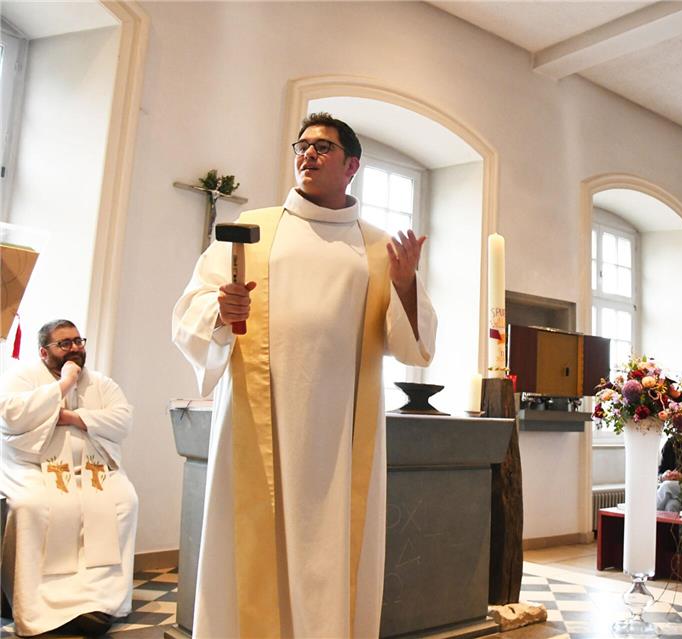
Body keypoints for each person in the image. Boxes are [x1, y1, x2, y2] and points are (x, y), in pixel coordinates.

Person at [172, 112, 437, 638]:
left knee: (331, 551)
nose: (308, 154)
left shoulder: (379, 249)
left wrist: (404, 284)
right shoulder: (253, 231)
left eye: (323, 147)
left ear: (351, 165)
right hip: (257, 422)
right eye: (302, 146)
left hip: (341, 434)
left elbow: (416, 345)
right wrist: (222, 311)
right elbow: (189, 312)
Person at [0, 320, 138, 637]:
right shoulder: (21, 377)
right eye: (65, 343)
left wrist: (72, 417)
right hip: (32, 469)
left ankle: (102, 601)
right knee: (33, 507)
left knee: (123, 501)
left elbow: (122, 419)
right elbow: (9, 416)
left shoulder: (100, 382)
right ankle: (37, 606)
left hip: (91, 470)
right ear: (43, 352)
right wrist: (61, 388)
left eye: (78, 341)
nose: (75, 348)